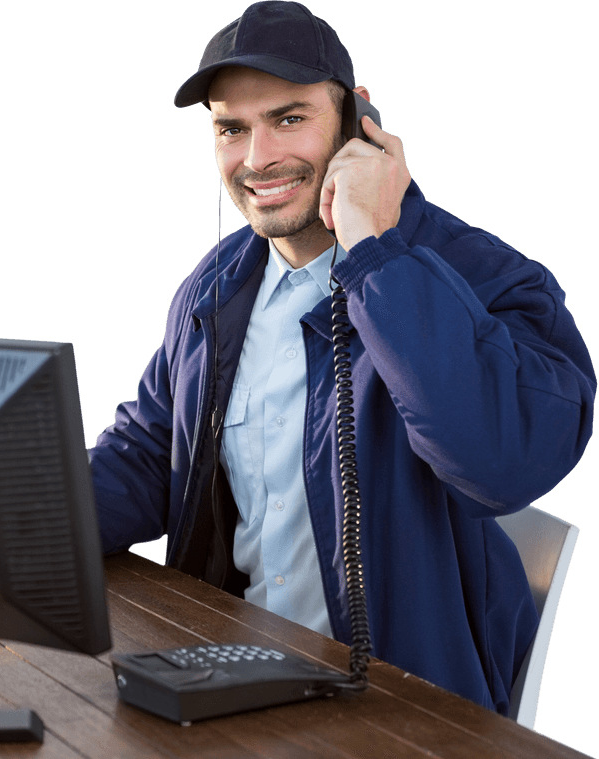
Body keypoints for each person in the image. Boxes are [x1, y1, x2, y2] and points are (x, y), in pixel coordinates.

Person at [89, 0, 595, 715]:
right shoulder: (220, 283)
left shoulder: (487, 276)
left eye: (290, 118)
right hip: (236, 680)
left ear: (358, 118)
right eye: (232, 129)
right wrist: (16, 526)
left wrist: (372, 252)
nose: (258, 158)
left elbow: (503, 460)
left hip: (402, 707)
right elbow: (148, 452)